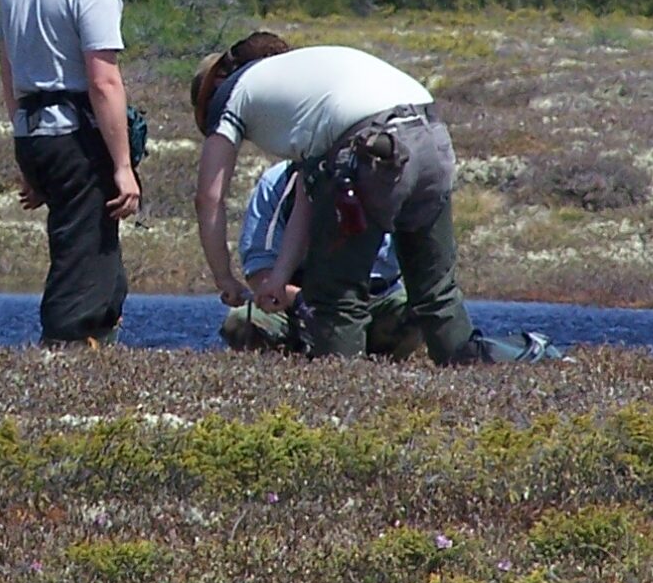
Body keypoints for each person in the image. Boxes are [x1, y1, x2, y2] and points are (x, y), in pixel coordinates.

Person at [193, 33, 550, 364]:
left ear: (220, 83)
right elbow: (308, 193)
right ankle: (479, 372)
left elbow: (210, 198)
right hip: (431, 135)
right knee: (436, 295)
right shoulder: (310, 81)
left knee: (336, 297)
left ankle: (340, 404)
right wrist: (281, 274)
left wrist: (224, 278)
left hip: (369, 148)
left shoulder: (233, 94)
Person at [0, 0, 149, 347]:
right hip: (76, 137)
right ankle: (66, 351)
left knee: (84, 246)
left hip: (34, 133)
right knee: (84, 253)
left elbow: (8, 71)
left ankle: (93, 341)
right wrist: (123, 166)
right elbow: (104, 81)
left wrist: (25, 153)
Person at [219, 158, 418, 357]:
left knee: (421, 316)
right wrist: (299, 302)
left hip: (373, 301)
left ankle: (374, 359)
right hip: (293, 306)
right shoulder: (275, 183)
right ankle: (297, 359)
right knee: (240, 323)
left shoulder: (386, 179)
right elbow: (259, 272)